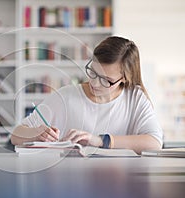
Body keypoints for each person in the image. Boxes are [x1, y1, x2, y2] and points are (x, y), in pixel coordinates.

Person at [11, 36, 163, 154]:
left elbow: (154, 142)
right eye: (93, 72)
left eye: (106, 80)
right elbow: (16, 135)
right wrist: (36, 133)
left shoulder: (135, 98)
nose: (95, 83)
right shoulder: (66, 96)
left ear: (124, 78)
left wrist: (99, 140)